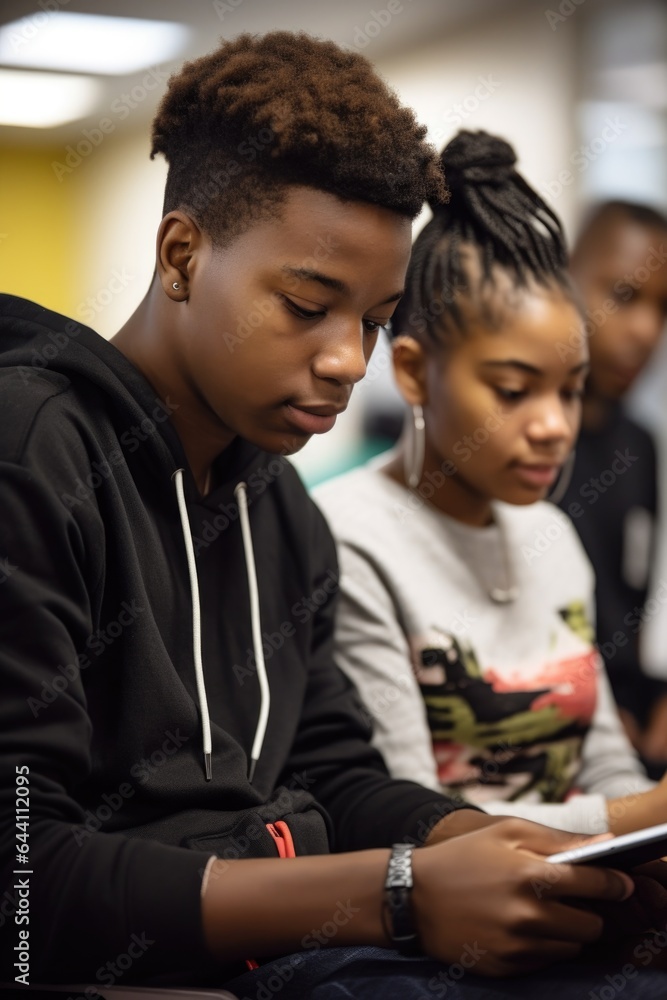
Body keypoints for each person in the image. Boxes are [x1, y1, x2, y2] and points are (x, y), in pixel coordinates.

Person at [1, 38, 666, 1000]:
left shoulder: (274, 497)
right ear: (182, 255)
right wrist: (400, 892)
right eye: (308, 306)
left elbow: (335, 776)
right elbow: (26, 882)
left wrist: (518, 851)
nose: (348, 361)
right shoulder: (34, 452)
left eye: (370, 319)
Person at [314, 130, 667, 842]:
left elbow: (604, 762)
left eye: (568, 392)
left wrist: (638, 837)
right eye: (512, 390)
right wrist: (632, 818)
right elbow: (408, 814)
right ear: (413, 373)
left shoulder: (550, 533)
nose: (552, 427)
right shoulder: (346, 535)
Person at [556, 201, 667, 770]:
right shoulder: (526, 441)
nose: (647, 330)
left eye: (663, 308)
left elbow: (628, 616)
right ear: (565, 277)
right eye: (624, 297)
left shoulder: (639, 446)